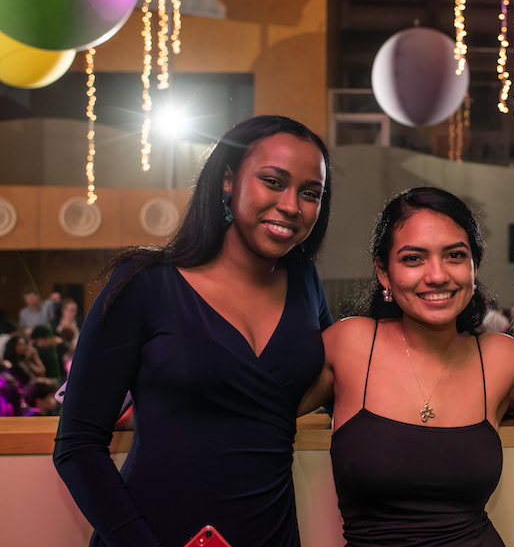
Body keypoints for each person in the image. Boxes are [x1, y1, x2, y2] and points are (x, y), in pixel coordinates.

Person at [54, 115, 334, 547]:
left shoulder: (305, 284)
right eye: (273, 182)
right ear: (227, 180)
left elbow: (337, 382)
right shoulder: (144, 283)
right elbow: (77, 445)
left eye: (310, 193)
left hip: (272, 535)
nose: (292, 205)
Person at [300, 187, 514, 547]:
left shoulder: (502, 359)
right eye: (413, 259)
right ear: (383, 272)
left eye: (455, 255)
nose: (438, 275)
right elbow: (253, 413)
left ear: (474, 267)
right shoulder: (350, 344)